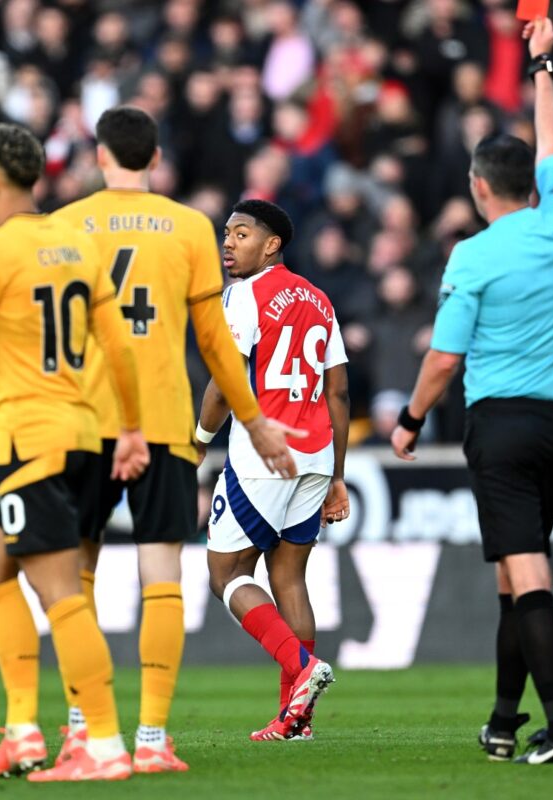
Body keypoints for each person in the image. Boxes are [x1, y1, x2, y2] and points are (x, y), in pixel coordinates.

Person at [48, 106, 300, 771]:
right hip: (162, 424)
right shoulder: (189, 227)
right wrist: (253, 420)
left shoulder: (64, 226)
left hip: (80, 424)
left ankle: (85, 731)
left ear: (100, 156)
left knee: (75, 576)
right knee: (161, 574)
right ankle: (154, 740)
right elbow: (216, 344)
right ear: (156, 158)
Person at [0, 122, 148, 783]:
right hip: (83, 434)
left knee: (61, 595)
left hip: (33, 440)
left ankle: (102, 744)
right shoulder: (76, 240)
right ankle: (21, 731)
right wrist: (129, 428)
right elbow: (118, 344)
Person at [390, 16, 553, 766]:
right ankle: (505, 722)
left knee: (527, 570)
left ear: (477, 189)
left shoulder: (471, 257)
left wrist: (409, 420)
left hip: (500, 426)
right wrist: (542, 67)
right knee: (515, 572)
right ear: (531, 184)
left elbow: (443, 360)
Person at [198, 198, 350, 741]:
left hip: (264, 456)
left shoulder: (244, 296)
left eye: (241, 233)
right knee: (288, 577)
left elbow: (223, 380)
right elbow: (338, 391)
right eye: (227, 233)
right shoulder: (320, 299)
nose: (229, 243)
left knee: (225, 576)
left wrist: (198, 441)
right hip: (313, 456)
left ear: (272, 244)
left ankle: (302, 669)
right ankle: (296, 720)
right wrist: (335, 474)